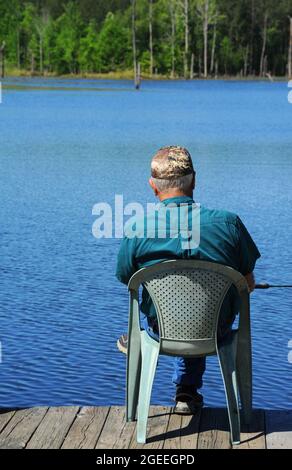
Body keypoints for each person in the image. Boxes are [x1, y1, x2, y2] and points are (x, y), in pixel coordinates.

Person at [116, 146, 260, 415]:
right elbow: (248, 284)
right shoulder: (229, 224)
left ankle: (140, 347)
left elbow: (128, 280)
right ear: (194, 180)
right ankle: (187, 391)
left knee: (172, 313)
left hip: (162, 331)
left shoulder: (137, 228)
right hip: (217, 331)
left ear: (153, 186)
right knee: (199, 310)